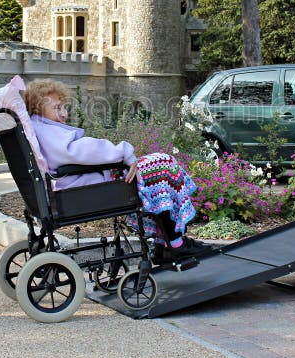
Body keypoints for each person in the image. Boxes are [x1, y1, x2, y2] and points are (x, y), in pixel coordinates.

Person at [23, 78, 207, 259]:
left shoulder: (42, 128)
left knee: (158, 167)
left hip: (83, 182)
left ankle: (168, 243)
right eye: (57, 108)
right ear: (38, 109)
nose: (64, 113)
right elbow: (84, 150)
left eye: (64, 107)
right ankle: (174, 243)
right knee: (162, 164)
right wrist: (124, 152)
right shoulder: (49, 133)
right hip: (87, 187)